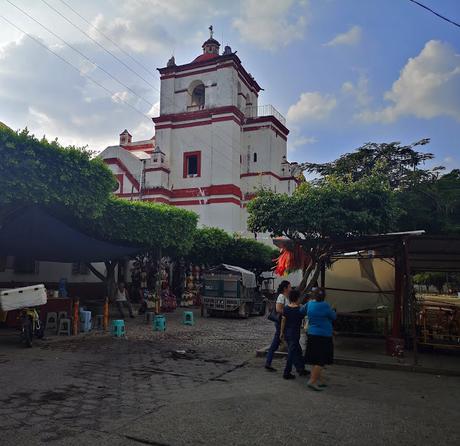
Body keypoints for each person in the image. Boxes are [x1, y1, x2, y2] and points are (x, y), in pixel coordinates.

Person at [305, 287, 336, 391]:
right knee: (321, 360)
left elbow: (301, 310)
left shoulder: (309, 304)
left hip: (312, 334)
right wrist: (333, 309)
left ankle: (319, 380)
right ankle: (312, 381)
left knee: (315, 359)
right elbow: (333, 317)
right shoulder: (325, 306)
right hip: (324, 335)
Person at [280, 289, 309, 379]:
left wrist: (281, 332)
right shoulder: (300, 309)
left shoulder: (286, 308)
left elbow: (283, 320)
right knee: (291, 354)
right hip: (295, 334)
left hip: (288, 333)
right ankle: (286, 372)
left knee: (298, 351)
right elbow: (305, 318)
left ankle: (301, 369)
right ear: (297, 298)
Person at [265, 281, 291, 372]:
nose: (290, 288)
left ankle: (268, 362)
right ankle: (299, 366)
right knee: (291, 344)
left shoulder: (286, 297)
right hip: (281, 323)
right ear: (285, 288)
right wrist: (289, 313)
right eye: (289, 287)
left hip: (284, 323)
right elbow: (278, 309)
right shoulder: (281, 296)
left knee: (275, 344)